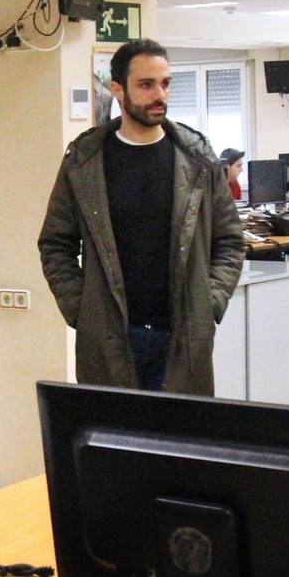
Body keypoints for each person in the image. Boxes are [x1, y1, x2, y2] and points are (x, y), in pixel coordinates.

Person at [39, 38, 245, 394]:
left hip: (181, 336)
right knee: (114, 444)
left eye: (165, 83)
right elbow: (55, 244)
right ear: (118, 90)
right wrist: (82, 311)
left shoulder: (198, 159)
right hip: (110, 337)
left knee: (180, 445)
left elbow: (229, 241)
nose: (159, 95)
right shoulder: (85, 162)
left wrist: (208, 304)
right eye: (146, 85)